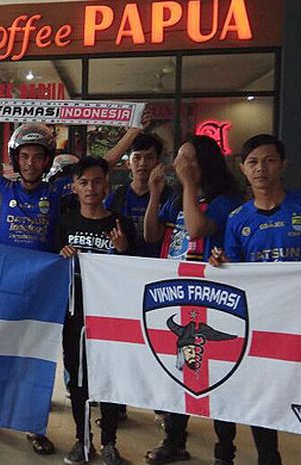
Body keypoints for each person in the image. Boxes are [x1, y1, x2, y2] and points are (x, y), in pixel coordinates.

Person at [0, 110, 136, 455]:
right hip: (4, 285)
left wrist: (132, 131)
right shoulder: (2, 186)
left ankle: (32, 426)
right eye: (24, 156)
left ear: (47, 161)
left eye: (38, 157)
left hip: (43, 289)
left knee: (34, 362)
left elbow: (103, 165)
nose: (31, 162)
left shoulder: (57, 192)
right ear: (15, 159)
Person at [143, 135, 242, 464]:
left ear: (205, 164)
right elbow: (152, 235)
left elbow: (198, 229)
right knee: (179, 371)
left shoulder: (225, 200)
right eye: (179, 158)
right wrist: (156, 193)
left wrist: (186, 184)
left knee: (219, 376)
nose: (179, 164)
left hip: (214, 299)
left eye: (188, 159)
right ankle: (174, 440)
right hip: (177, 295)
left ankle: (225, 451)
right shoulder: (175, 197)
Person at [209, 134, 289, 465]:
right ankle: (230, 453)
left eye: (269, 160)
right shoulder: (238, 218)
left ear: (283, 164)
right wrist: (221, 264)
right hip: (258, 318)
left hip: (294, 317)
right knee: (248, 386)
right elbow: (234, 270)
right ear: (243, 168)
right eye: (253, 162)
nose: (261, 169)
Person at [58, 156, 136, 465]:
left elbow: (135, 269)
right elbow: (51, 263)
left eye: (97, 181)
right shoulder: (65, 221)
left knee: (110, 378)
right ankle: (82, 439)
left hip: (109, 316)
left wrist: (123, 250)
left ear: (107, 185)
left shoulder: (119, 222)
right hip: (74, 315)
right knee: (78, 380)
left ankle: (110, 443)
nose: (91, 188)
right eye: (84, 182)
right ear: (74, 187)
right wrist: (61, 254)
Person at [106, 133, 173, 258]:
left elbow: (155, 237)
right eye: (137, 158)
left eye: (149, 158)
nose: (142, 163)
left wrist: (155, 193)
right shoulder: (117, 196)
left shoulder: (169, 197)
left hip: (158, 266)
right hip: (123, 264)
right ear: (128, 163)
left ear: (158, 163)